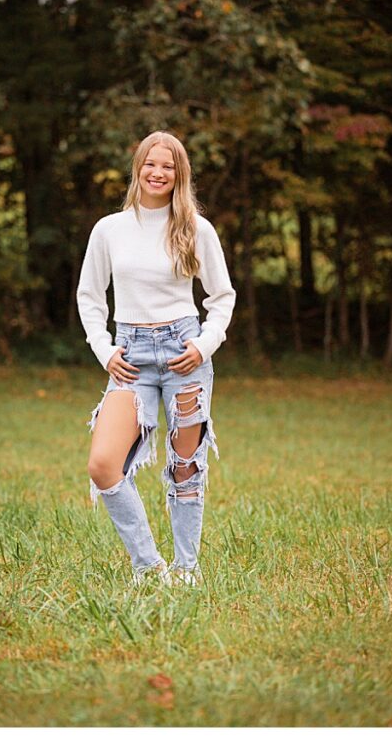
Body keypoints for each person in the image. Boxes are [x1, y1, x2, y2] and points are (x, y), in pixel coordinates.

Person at [76, 130, 236, 586]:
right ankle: (149, 566)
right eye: (151, 163)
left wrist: (204, 345)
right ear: (138, 168)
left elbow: (222, 297)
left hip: (184, 352)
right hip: (130, 356)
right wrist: (104, 350)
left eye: (168, 166)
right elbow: (90, 297)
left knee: (185, 467)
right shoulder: (109, 229)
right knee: (104, 464)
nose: (158, 173)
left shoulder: (195, 228)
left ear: (179, 174)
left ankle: (187, 569)